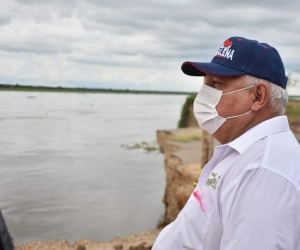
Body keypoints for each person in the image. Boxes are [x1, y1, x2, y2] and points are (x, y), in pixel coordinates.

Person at [152, 36, 300, 250]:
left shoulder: (263, 171)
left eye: (217, 84)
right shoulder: (245, 153)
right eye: (206, 83)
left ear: (258, 96)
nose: (204, 94)